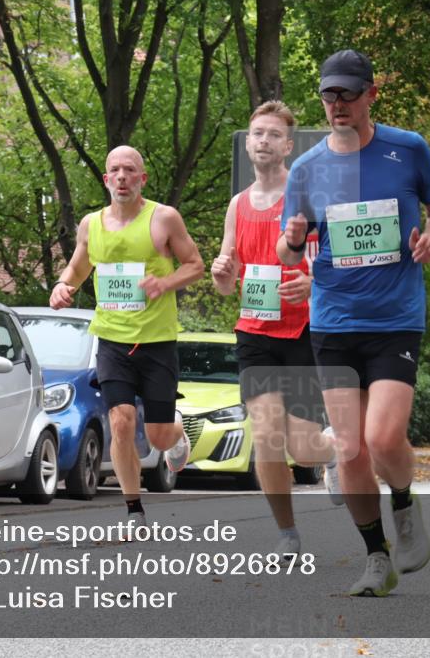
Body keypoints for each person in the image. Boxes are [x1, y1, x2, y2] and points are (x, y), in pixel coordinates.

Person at [277, 49, 430, 597]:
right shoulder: (306, 169)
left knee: (382, 437)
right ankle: (377, 557)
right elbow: (288, 251)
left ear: (371, 95)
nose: (338, 105)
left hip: (396, 317)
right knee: (350, 448)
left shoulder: (408, 148)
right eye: (330, 95)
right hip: (334, 319)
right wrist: (294, 237)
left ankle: (403, 503)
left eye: (349, 95)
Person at [211, 101, 341, 559]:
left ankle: (335, 454)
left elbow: (337, 260)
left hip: (305, 329)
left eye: (272, 135)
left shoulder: (308, 195)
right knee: (265, 435)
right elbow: (229, 282)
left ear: (288, 146)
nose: (262, 140)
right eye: (256, 133)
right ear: (248, 142)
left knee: (304, 448)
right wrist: (221, 273)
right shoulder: (236, 205)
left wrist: (315, 282)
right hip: (255, 331)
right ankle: (287, 534)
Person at [50, 145, 204, 523]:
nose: (122, 176)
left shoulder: (163, 218)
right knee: (120, 420)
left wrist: (165, 282)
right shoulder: (91, 224)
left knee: (158, 438)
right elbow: (76, 268)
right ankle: (133, 507)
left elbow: (195, 265)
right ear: (106, 180)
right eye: (115, 170)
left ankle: (177, 435)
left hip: (157, 341)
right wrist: (61, 286)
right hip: (113, 339)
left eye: (129, 170)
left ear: (142, 179)